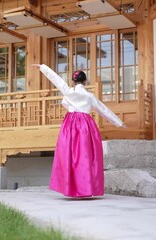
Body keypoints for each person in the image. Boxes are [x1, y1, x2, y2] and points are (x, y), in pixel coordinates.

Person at [32, 64, 126, 198]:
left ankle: (70, 188)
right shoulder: (89, 96)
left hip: (70, 125)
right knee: (85, 156)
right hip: (86, 126)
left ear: (72, 81)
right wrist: (119, 123)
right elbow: (103, 110)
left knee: (69, 155)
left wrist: (42, 67)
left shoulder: (69, 91)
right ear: (85, 82)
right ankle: (85, 188)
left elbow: (56, 79)